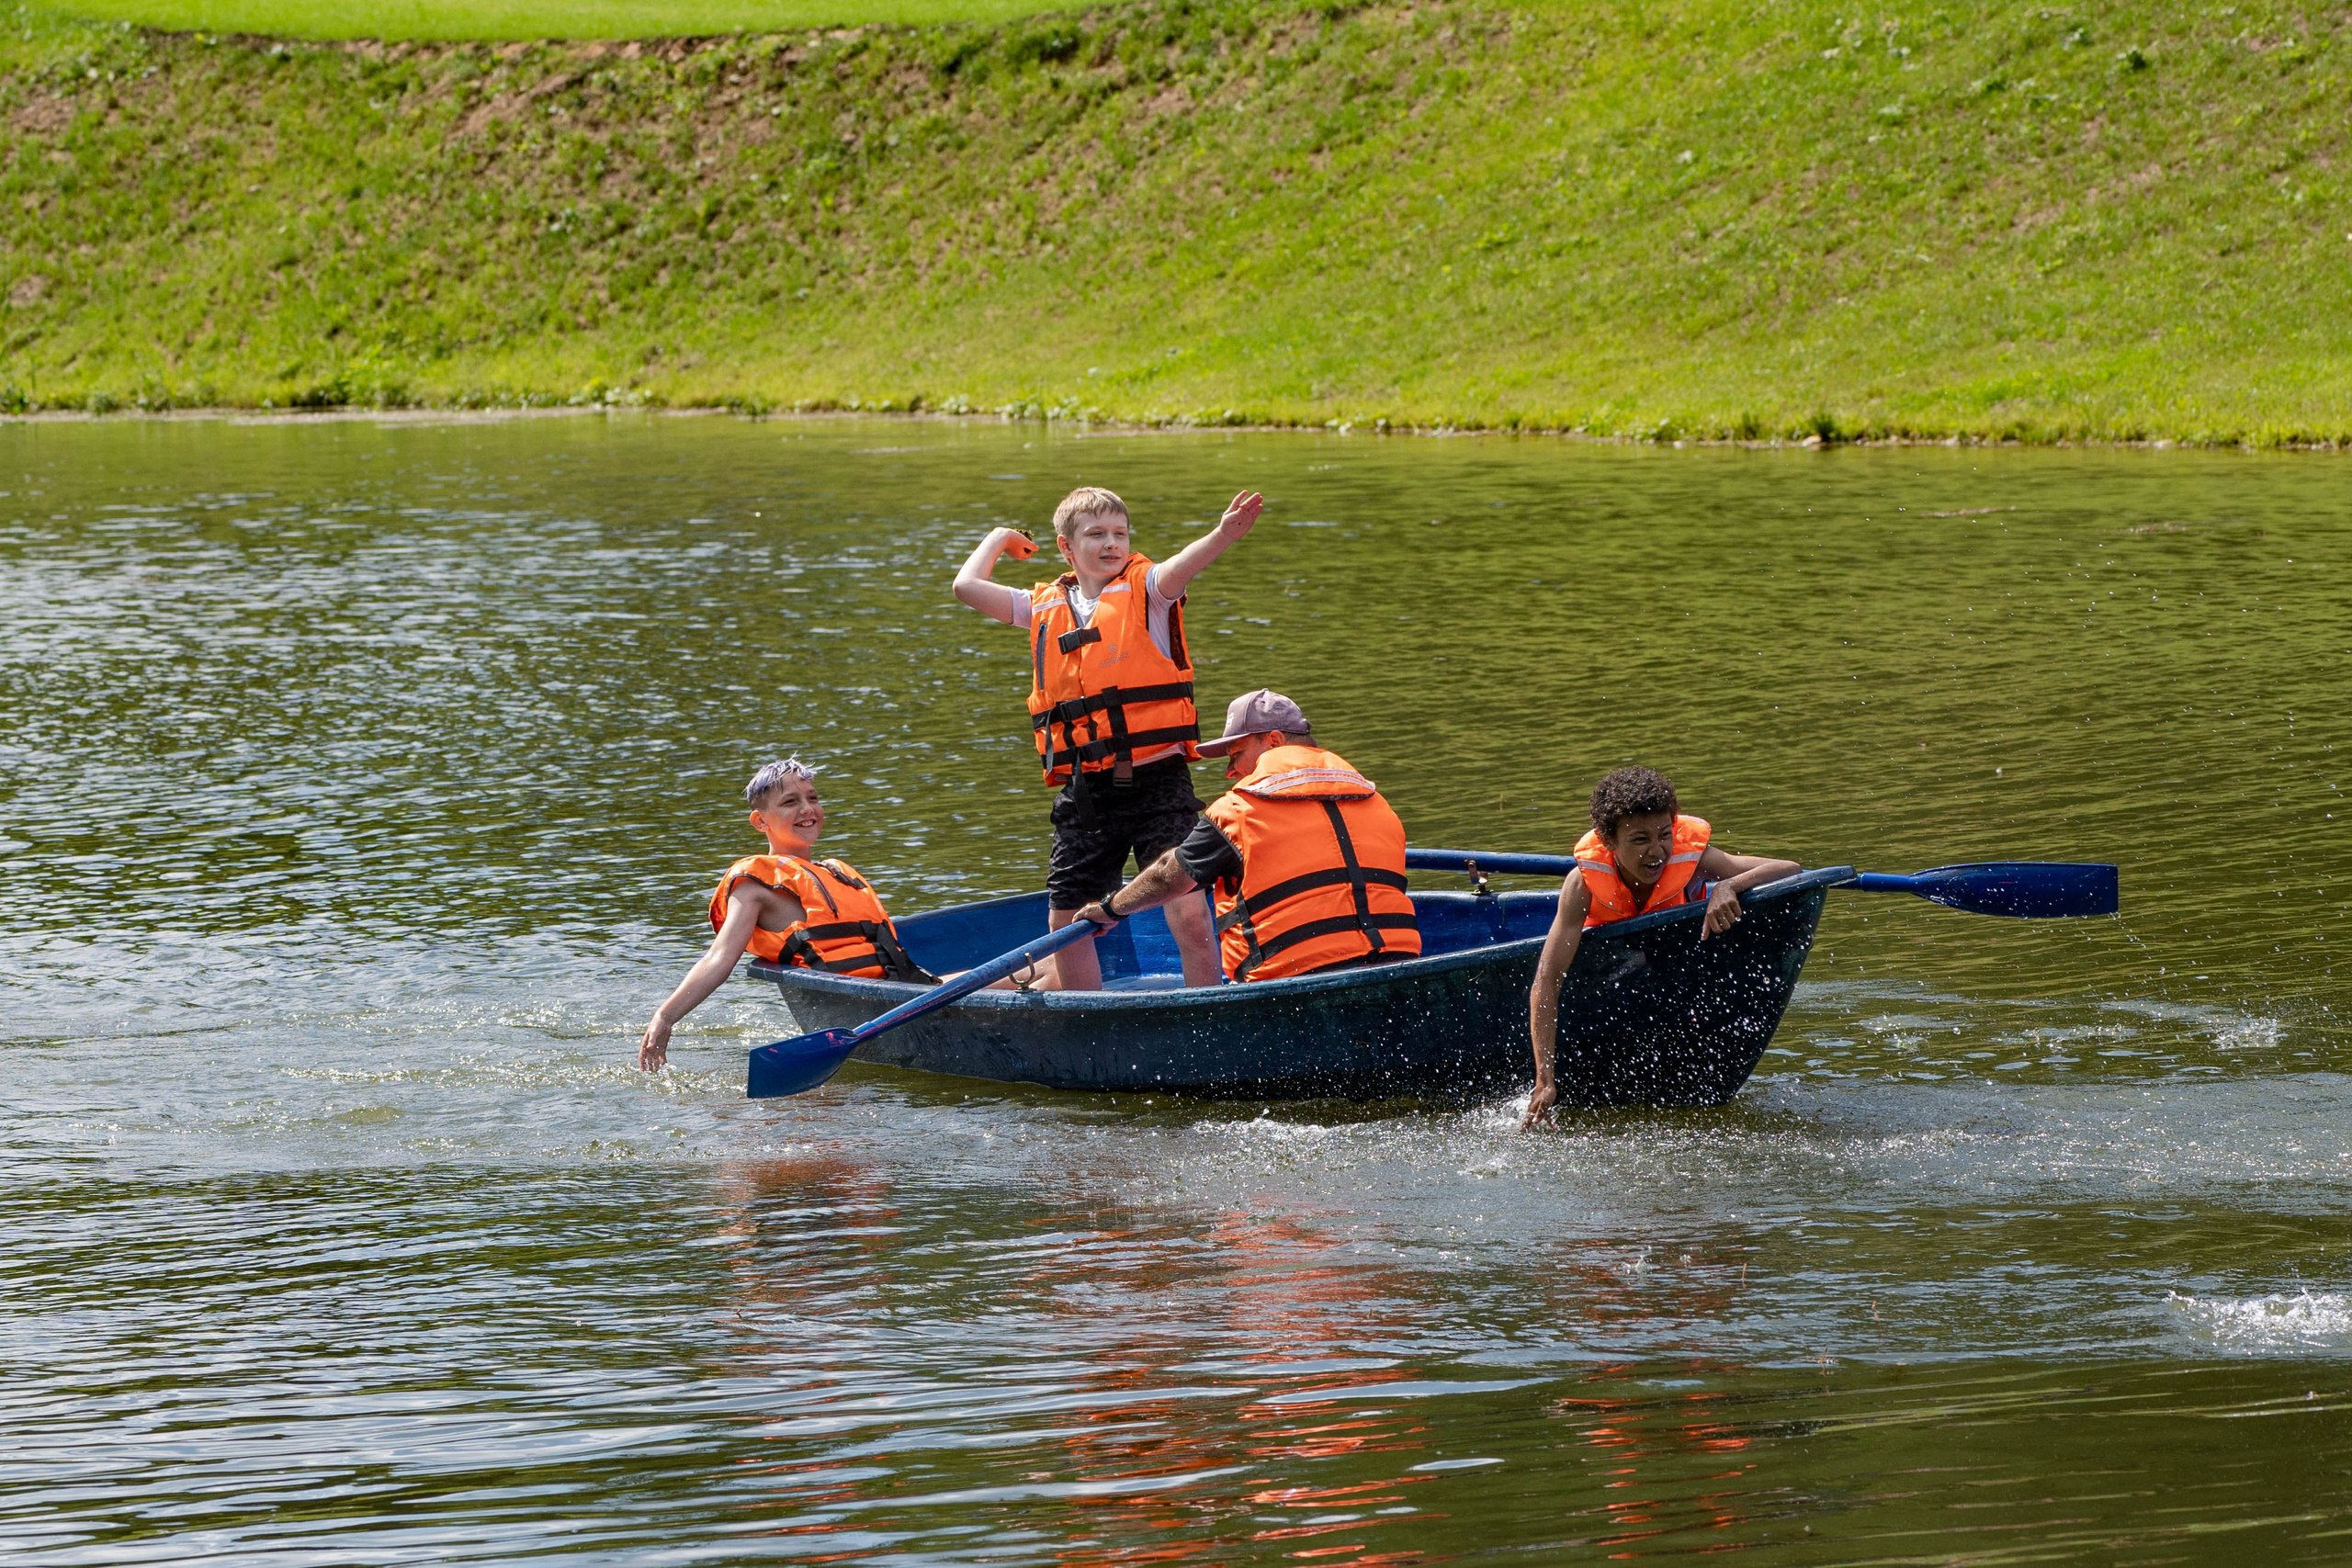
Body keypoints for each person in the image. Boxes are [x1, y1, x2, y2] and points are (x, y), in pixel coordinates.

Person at [952, 484, 1264, 990]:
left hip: (1159, 781)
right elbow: (966, 587)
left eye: (1120, 533)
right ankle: (1086, 1022)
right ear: (1066, 547)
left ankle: (1204, 1011)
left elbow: (1185, 563)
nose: (1111, 543)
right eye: (1096, 534)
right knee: (1067, 925)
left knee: (1186, 912)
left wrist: (1222, 535)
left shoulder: (1152, 589)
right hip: (1087, 792)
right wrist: (998, 538)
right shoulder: (1042, 607)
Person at [1072, 690, 1421, 983]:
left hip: (1297, 980)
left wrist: (1109, 909)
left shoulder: (1240, 811)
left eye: (1236, 753)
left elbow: (1168, 874)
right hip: (1399, 965)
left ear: (1273, 741)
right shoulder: (1375, 800)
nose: (1230, 770)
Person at [1521, 766, 1800, 1127]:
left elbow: (1790, 869)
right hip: (1613, 986)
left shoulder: (1694, 857)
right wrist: (1545, 1079)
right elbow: (1548, 980)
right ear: (1608, 841)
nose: (1657, 852)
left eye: (1664, 835)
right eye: (1639, 840)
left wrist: (1728, 886)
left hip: (1670, 973)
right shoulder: (1582, 885)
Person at [638, 758, 931, 1071]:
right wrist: (665, 1017)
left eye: (813, 798)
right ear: (760, 821)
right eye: (791, 802)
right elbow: (719, 958)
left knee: (992, 977)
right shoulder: (755, 886)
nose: (807, 809)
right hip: (863, 1007)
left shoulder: (834, 873)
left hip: (908, 989)